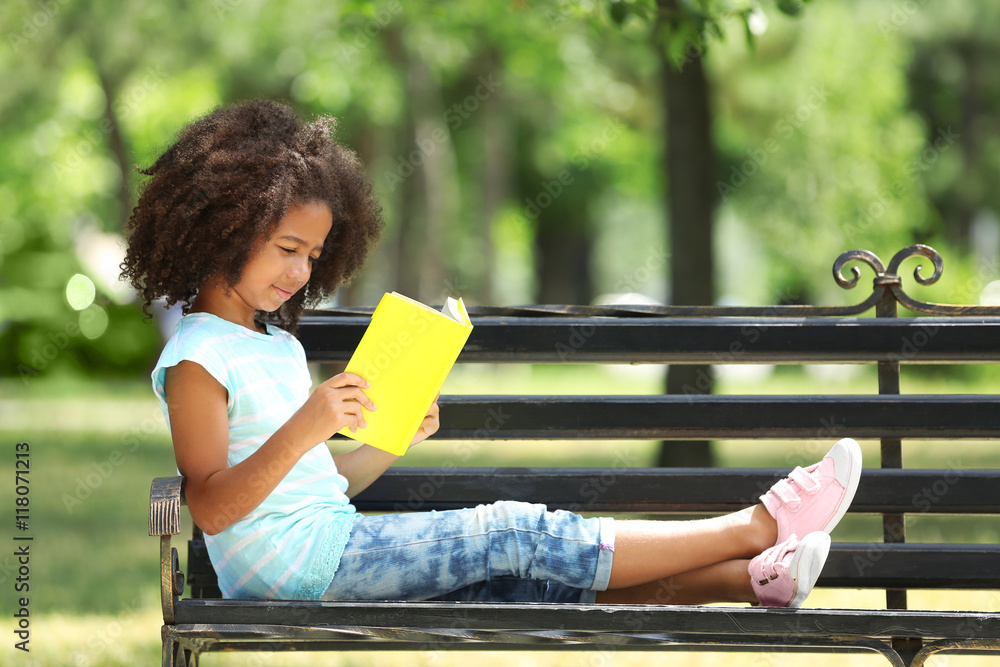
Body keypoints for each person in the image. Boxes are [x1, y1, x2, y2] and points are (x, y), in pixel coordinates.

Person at [122, 99, 863, 608]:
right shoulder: (198, 356)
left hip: (328, 543)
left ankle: (749, 579)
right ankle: (759, 524)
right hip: (293, 573)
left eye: (313, 254)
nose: (300, 273)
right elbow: (214, 506)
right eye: (287, 249)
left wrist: (387, 441)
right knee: (512, 528)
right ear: (223, 227)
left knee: (530, 577)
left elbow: (323, 488)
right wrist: (309, 423)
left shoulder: (276, 344)